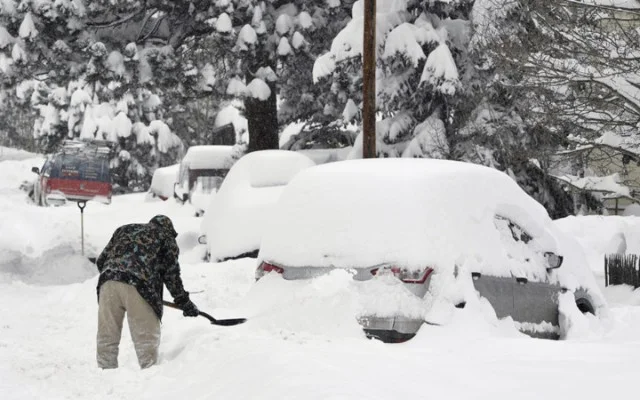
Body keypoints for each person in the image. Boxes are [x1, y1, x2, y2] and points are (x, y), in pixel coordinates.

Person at [95, 215, 199, 369]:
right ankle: (149, 379)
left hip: (108, 281)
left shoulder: (124, 229)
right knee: (146, 341)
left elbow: (101, 261)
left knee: (107, 335)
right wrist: (184, 302)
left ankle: (105, 373)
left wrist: (119, 278)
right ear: (169, 230)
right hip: (140, 286)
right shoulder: (165, 237)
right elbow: (171, 275)